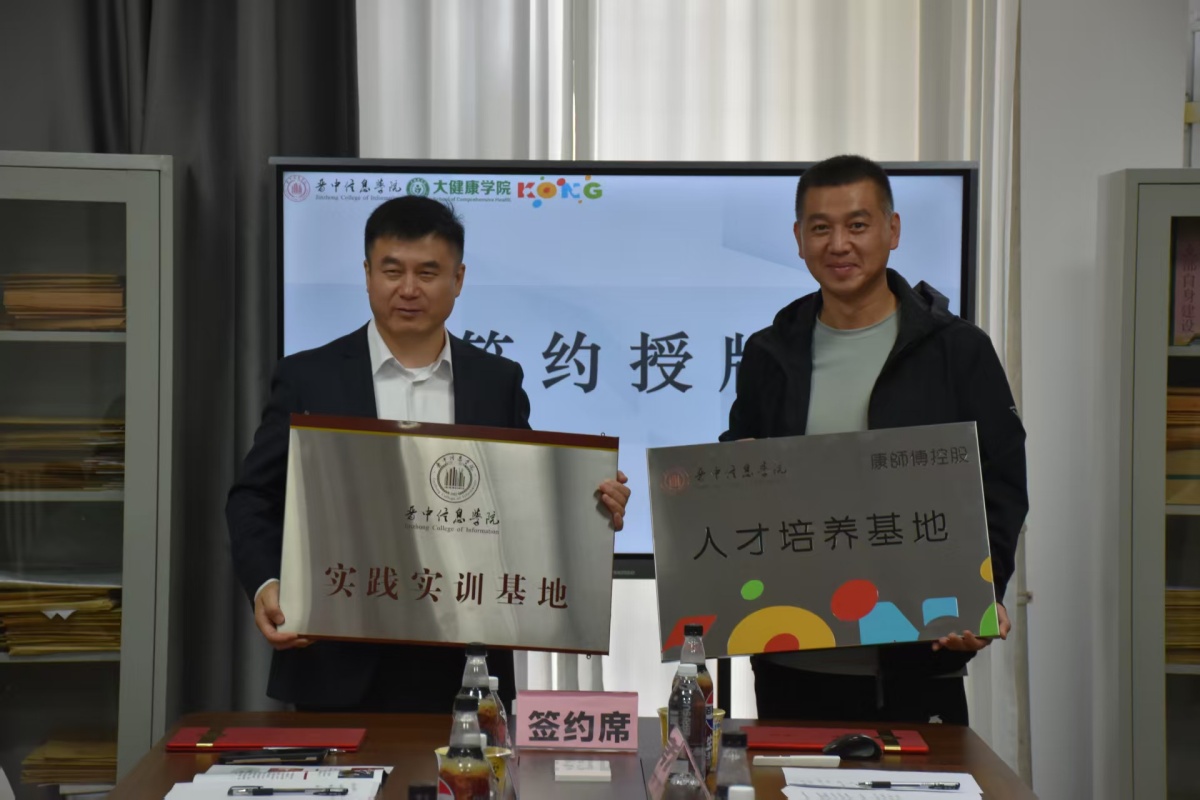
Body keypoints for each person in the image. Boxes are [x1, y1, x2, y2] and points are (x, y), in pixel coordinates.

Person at [226, 196, 631, 712]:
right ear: (367, 275)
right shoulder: (308, 376)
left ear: (458, 279)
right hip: (335, 660)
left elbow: (521, 499)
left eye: (428, 272)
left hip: (464, 663)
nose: (408, 289)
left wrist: (592, 504)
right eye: (392, 270)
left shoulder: (496, 381)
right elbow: (253, 498)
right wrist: (267, 582)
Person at [721, 154, 1027, 725]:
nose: (839, 244)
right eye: (821, 228)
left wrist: (982, 594)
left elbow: (1001, 487)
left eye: (858, 225)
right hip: (794, 660)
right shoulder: (770, 352)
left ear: (893, 230)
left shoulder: (957, 350)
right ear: (798, 238)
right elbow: (741, 472)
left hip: (920, 659)